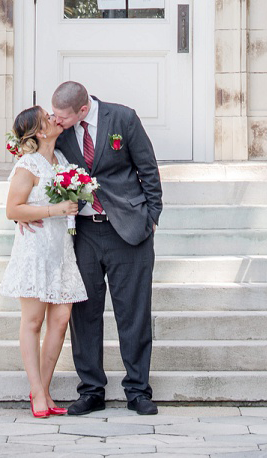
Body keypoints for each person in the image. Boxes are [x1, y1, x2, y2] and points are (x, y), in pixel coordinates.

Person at [51, 81, 162, 416]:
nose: (57, 122)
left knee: (134, 313)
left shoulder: (123, 119)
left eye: (63, 117)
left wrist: (151, 217)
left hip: (128, 232)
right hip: (82, 233)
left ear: (83, 110)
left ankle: (138, 390)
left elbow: (148, 169)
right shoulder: (60, 129)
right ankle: (91, 390)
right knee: (84, 314)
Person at [0, 104, 87, 419]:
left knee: (61, 319)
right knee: (33, 321)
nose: (54, 118)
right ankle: (37, 391)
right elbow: (13, 210)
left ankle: (44, 388)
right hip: (34, 250)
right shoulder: (28, 165)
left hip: (60, 250)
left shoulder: (61, 160)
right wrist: (55, 210)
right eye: (47, 117)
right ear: (39, 131)